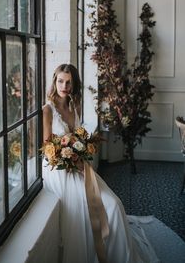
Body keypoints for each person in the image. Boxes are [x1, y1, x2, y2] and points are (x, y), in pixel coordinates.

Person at [42, 63, 159, 263]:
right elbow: (47, 148)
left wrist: (80, 152)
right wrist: (69, 157)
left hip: (78, 165)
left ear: (74, 85)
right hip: (59, 169)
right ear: (54, 81)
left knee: (114, 204)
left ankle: (119, 255)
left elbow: (79, 137)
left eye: (69, 82)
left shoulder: (73, 105)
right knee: (106, 207)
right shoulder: (48, 110)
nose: (64, 86)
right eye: (60, 81)